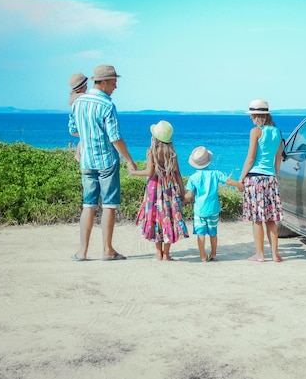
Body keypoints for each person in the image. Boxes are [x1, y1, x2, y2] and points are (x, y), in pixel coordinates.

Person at [68, 64, 137, 261]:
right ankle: (107, 249)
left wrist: (88, 134)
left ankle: (82, 251)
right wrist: (129, 160)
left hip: (87, 161)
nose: (116, 86)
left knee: (88, 205)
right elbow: (115, 138)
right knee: (109, 205)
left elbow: (74, 130)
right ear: (104, 82)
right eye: (114, 82)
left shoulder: (78, 103)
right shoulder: (107, 106)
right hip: (107, 161)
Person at [128, 120, 189, 261]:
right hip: (169, 190)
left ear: (155, 138)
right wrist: (182, 192)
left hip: (154, 190)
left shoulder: (152, 152)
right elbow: (178, 175)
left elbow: (150, 172)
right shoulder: (173, 154)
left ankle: (158, 253)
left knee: (156, 218)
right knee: (168, 218)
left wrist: (133, 172)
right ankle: (167, 254)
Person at [238, 99, 284, 263]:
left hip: (255, 178)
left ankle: (260, 255)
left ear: (257, 116)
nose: (250, 118)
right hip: (271, 179)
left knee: (257, 219)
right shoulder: (277, 132)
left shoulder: (256, 132)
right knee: (271, 219)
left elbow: (250, 158)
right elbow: (278, 159)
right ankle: (275, 254)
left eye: (252, 115)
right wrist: (275, 177)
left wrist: (241, 178)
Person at [184, 146, 242, 262]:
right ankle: (214, 253)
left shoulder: (193, 177)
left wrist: (181, 200)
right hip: (214, 208)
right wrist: (240, 185)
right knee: (213, 233)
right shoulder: (215, 173)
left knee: (201, 234)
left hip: (199, 210)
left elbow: (189, 195)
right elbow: (228, 181)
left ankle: (203, 256)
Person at [68, 72, 88, 162]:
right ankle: (78, 155)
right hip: (77, 127)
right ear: (83, 86)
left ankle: (78, 154)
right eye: (86, 84)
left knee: (84, 137)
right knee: (85, 136)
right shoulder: (83, 97)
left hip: (73, 126)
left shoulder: (74, 98)